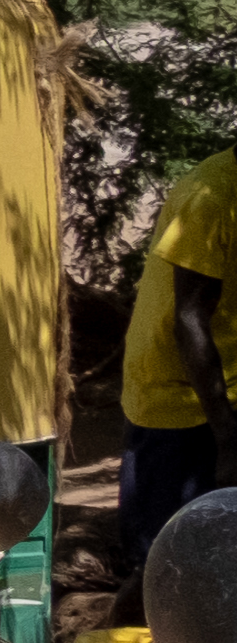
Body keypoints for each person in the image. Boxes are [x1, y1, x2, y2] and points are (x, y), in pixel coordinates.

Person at [122, 144, 237, 574]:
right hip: (180, 401)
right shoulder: (211, 196)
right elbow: (190, 318)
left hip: (227, 389)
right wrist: (227, 440)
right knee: (169, 560)